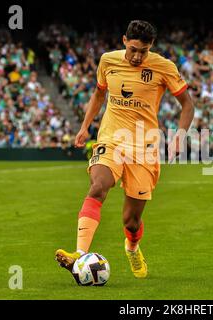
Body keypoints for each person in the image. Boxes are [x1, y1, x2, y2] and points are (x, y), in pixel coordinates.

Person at [55, 20, 194, 279]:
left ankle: (132, 247)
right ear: (123, 41)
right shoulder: (108, 61)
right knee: (98, 186)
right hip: (111, 140)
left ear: (151, 47)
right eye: (133, 49)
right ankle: (79, 254)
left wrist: (179, 136)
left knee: (131, 222)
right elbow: (99, 95)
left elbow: (188, 105)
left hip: (145, 148)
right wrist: (85, 127)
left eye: (143, 51)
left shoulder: (163, 67)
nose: (137, 56)